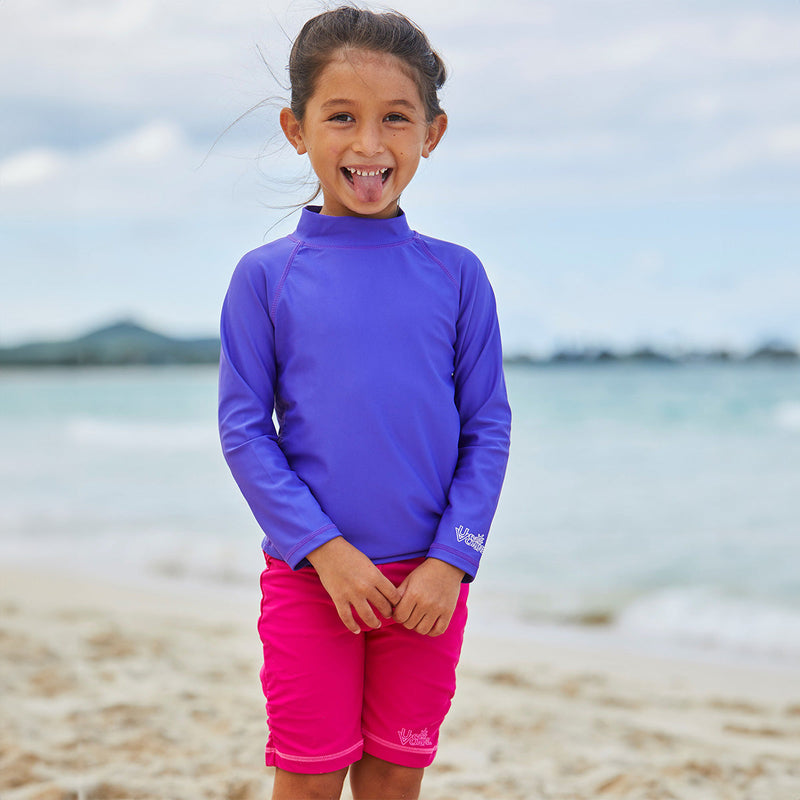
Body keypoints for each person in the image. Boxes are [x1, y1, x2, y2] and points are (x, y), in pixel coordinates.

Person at [218, 6, 511, 799]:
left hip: (427, 591)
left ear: (433, 134)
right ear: (296, 128)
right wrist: (324, 550)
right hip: (313, 582)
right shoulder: (264, 278)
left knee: (391, 776)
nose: (370, 145)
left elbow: (488, 428)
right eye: (341, 117)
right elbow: (245, 432)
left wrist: (455, 559)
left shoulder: (458, 277)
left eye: (396, 120)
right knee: (309, 781)